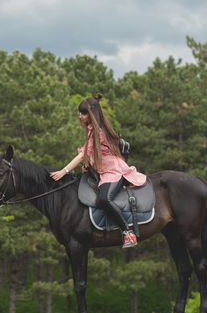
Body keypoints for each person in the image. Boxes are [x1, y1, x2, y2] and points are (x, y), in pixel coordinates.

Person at [50, 94, 146, 248]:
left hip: (114, 171)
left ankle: (128, 233)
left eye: (83, 113)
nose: (79, 116)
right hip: (104, 169)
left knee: (104, 199)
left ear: (91, 115)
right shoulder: (91, 130)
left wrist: (64, 171)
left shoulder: (98, 132)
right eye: (80, 112)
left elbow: (82, 155)